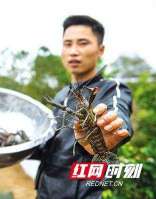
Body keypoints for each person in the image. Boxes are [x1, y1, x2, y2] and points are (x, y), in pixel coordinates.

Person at [31, 15, 133, 199]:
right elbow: (46, 145)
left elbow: (118, 111)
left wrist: (113, 126)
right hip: (45, 191)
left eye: (83, 43)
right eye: (67, 44)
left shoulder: (111, 88)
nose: (73, 51)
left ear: (100, 50)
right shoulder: (61, 94)